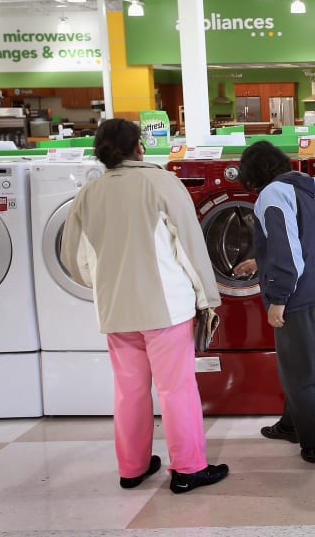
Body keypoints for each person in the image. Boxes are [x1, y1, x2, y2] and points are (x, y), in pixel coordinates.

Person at [60, 118, 229, 494]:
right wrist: (208, 298)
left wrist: (105, 284)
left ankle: (133, 468)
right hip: (165, 308)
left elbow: (73, 259)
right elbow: (189, 247)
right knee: (176, 389)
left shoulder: (88, 193)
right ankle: (187, 469)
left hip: (116, 311)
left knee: (129, 390)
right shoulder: (162, 182)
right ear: (139, 146)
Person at [233, 140, 315, 465]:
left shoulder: (271, 194)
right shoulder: (309, 189)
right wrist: (259, 262)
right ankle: (291, 424)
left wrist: (278, 299)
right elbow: (307, 240)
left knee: (297, 374)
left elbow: (287, 250)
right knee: (310, 369)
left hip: (299, 295)